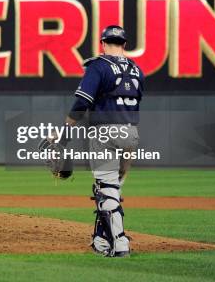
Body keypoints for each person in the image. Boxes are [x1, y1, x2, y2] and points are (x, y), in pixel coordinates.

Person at [65, 25, 144, 258]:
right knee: (111, 189)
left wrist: (64, 133)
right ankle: (101, 238)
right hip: (131, 133)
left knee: (107, 189)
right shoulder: (137, 69)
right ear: (125, 45)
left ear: (102, 43)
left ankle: (119, 243)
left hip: (105, 132)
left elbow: (81, 103)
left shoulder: (98, 66)